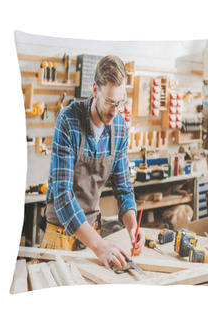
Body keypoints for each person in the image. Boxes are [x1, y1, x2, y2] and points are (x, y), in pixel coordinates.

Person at [40, 55, 145, 271]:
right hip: (60, 235)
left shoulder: (120, 129)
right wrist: (99, 245)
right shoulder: (68, 120)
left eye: (120, 103)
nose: (114, 111)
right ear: (95, 90)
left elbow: (124, 189)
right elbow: (62, 197)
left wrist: (132, 226)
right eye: (109, 102)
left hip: (93, 238)